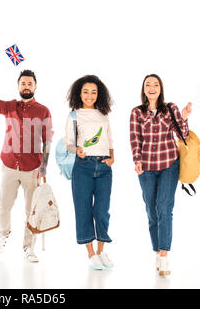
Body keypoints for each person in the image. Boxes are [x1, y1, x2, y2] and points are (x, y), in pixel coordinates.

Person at [0, 58, 53, 262]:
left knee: (31, 210)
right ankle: (4, 233)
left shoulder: (43, 111)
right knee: (4, 205)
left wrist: (44, 168)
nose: (26, 86)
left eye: (30, 83)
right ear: (18, 86)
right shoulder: (10, 107)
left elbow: (47, 140)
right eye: (23, 83)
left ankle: (28, 247)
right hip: (9, 164)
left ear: (35, 86)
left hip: (32, 168)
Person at [130, 74, 192, 276]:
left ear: (160, 88)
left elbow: (183, 134)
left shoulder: (170, 108)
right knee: (151, 210)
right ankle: (157, 251)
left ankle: (164, 256)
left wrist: (184, 116)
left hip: (168, 165)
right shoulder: (137, 113)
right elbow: (135, 139)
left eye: (155, 84)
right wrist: (137, 161)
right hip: (146, 168)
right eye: (148, 84)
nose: (152, 87)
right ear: (143, 89)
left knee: (164, 208)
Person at [64, 75, 115, 270]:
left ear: (98, 94)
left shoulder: (104, 114)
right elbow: (68, 142)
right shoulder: (74, 115)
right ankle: (91, 253)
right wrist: (76, 149)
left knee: (102, 210)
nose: (89, 95)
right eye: (86, 91)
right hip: (83, 166)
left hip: (104, 167)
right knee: (83, 209)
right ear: (79, 93)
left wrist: (112, 157)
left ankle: (102, 250)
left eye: (93, 92)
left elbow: (109, 140)